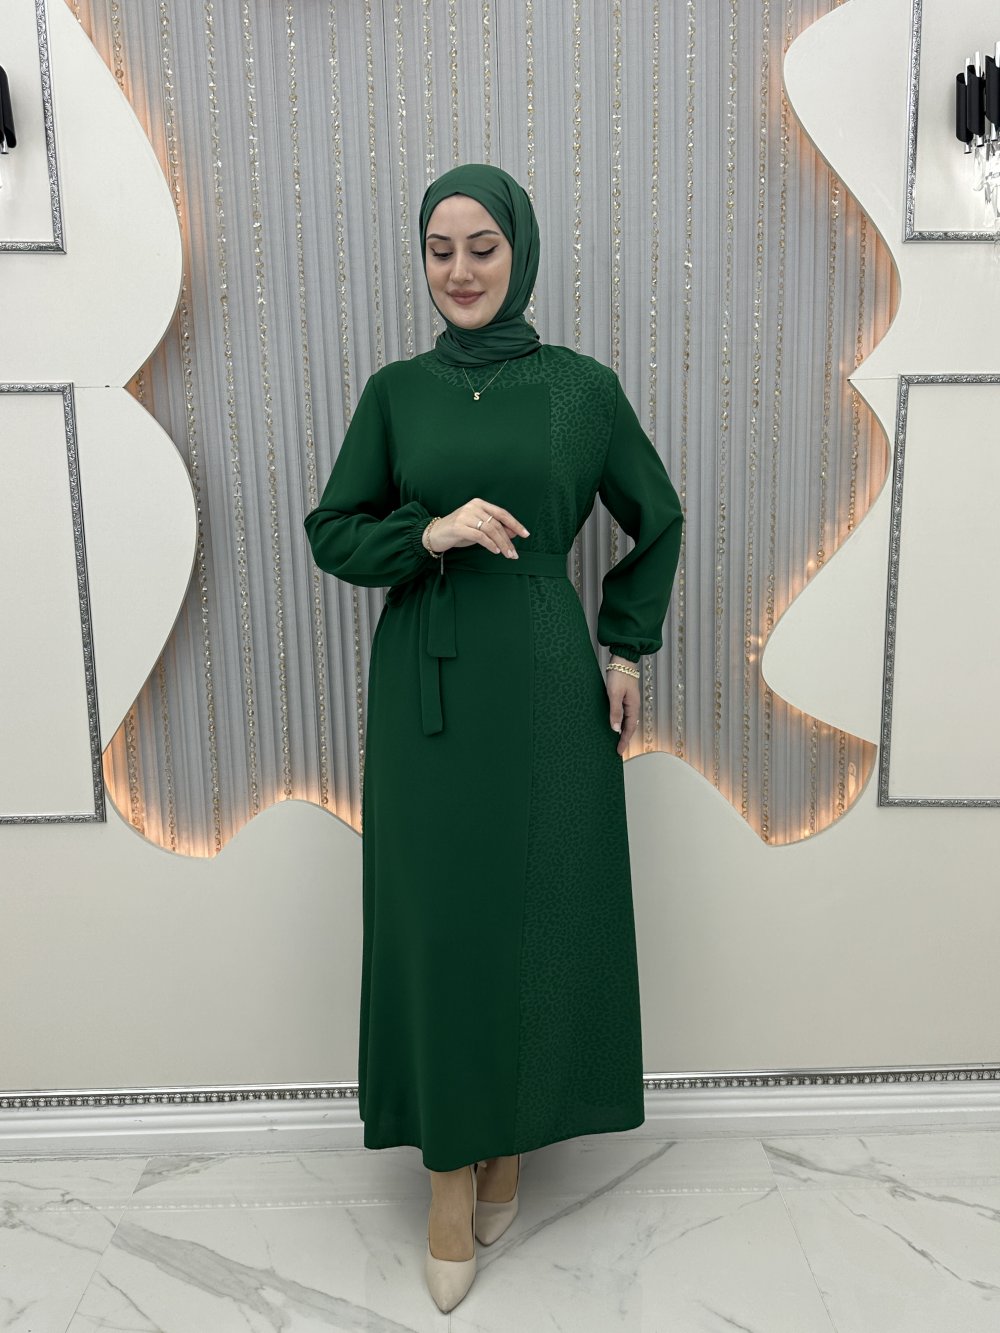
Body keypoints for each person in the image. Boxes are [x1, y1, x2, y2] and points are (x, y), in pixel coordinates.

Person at [304, 162, 683, 1312]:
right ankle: (446, 1177)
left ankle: (508, 1137)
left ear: (518, 251)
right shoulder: (396, 393)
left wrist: (625, 650)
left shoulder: (579, 390)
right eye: (439, 249)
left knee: (535, 907)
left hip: (542, 683)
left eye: (481, 246)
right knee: (440, 924)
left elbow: (657, 517)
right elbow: (332, 529)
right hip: (424, 686)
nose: (459, 270)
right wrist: (426, 533)